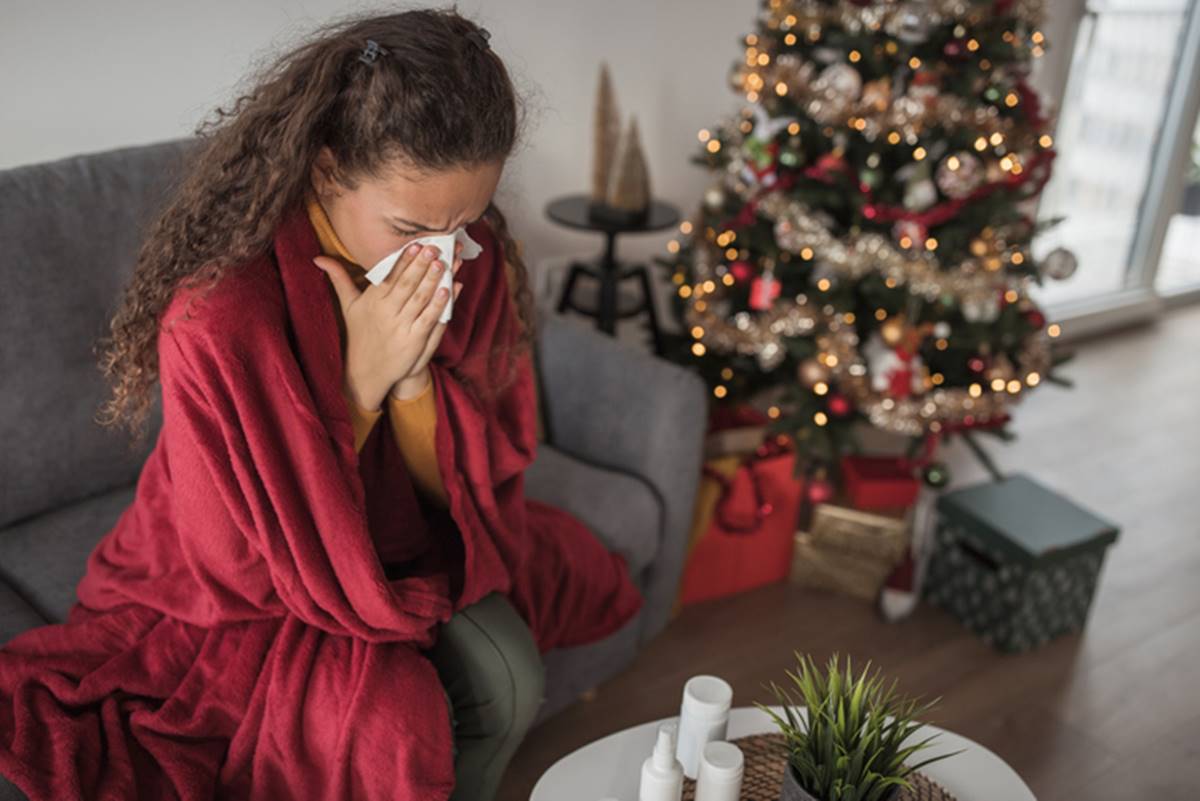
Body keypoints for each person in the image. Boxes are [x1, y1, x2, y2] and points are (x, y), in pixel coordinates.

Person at [0, 7, 643, 801]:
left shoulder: (465, 258)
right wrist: (355, 390)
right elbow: (232, 560)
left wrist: (413, 386)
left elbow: (481, 476)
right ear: (329, 171)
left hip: (410, 540)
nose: (441, 258)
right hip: (243, 574)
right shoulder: (219, 313)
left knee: (508, 660)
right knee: (391, 723)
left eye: (463, 223)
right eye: (410, 226)